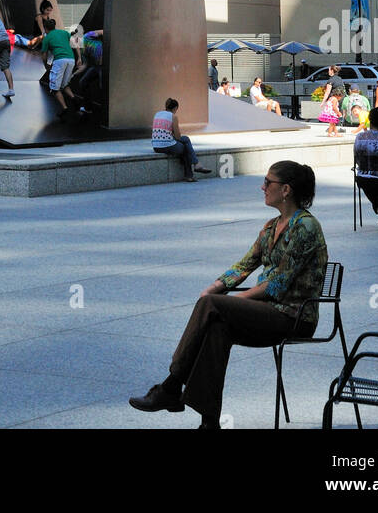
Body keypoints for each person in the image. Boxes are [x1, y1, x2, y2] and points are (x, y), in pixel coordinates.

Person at [128, 162, 327, 429]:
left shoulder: (305, 227)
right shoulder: (271, 227)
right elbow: (245, 265)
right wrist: (215, 287)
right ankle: (209, 423)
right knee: (216, 327)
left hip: (294, 316)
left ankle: (171, 385)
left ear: (286, 190)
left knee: (214, 308)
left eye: (268, 182)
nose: (262, 187)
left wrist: (225, 302)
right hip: (269, 312)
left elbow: (277, 285)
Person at [151, 98, 211, 183]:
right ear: (175, 108)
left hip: (156, 146)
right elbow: (178, 137)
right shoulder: (173, 116)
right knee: (186, 144)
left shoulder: (157, 114)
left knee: (185, 145)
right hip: (168, 146)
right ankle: (194, 168)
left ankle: (195, 167)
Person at [40, 24, 79, 118]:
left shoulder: (47, 37)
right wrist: (80, 58)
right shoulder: (64, 33)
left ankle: (65, 109)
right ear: (54, 26)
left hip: (60, 61)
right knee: (64, 84)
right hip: (71, 60)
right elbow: (76, 43)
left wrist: (46, 65)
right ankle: (75, 100)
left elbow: (44, 54)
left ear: (46, 28)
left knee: (54, 88)